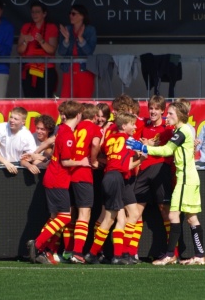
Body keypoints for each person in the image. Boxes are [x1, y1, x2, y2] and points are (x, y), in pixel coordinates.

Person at [127, 102, 205, 265]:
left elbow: (166, 150)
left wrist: (143, 147)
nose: (167, 116)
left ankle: (171, 254)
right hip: (187, 177)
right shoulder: (180, 130)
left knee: (174, 215)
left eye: (170, 114)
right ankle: (199, 255)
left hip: (186, 179)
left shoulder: (182, 131)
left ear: (180, 115)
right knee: (191, 218)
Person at [27, 101, 90, 265]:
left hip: (54, 177)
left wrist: (43, 156)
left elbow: (55, 150)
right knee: (64, 217)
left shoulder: (62, 129)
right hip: (58, 179)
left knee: (55, 217)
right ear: (78, 115)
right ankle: (38, 243)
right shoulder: (67, 133)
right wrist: (82, 162)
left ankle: (44, 250)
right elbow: (66, 161)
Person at [84, 113, 143, 265]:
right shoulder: (129, 140)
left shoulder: (110, 138)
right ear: (124, 126)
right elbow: (128, 165)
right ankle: (94, 253)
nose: (135, 126)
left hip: (112, 178)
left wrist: (97, 160)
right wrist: (141, 159)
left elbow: (103, 149)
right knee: (110, 219)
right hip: (116, 178)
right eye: (132, 124)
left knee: (128, 216)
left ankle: (122, 254)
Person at [132, 95, 174, 261]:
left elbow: (169, 149)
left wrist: (151, 145)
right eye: (151, 108)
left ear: (163, 111)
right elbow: (134, 145)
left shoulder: (167, 129)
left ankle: (172, 253)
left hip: (161, 171)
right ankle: (131, 251)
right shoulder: (143, 125)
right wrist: (140, 149)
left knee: (165, 212)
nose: (153, 111)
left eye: (156, 109)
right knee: (135, 212)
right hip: (143, 172)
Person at [66, 103, 101, 263]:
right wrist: (93, 160)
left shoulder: (76, 128)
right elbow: (94, 144)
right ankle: (77, 252)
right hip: (83, 174)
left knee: (71, 214)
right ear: (94, 117)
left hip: (71, 172)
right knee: (84, 214)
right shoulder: (94, 128)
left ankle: (68, 251)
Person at [17, 1, 58, 98]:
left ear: (44, 14)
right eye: (33, 12)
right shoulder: (26, 27)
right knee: (30, 100)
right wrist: (25, 42)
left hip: (46, 69)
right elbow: (19, 50)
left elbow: (52, 50)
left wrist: (41, 41)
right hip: (29, 69)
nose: (34, 14)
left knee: (46, 99)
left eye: (37, 12)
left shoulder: (51, 27)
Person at [58, 4, 97, 98]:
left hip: (85, 69)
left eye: (73, 14)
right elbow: (61, 52)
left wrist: (80, 38)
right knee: (67, 99)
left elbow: (89, 52)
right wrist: (66, 39)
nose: (70, 16)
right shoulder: (67, 29)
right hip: (68, 69)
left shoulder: (90, 30)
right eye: (70, 13)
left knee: (84, 99)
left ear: (82, 16)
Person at [0, 107, 37, 174]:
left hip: (18, 167)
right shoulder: (1, 127)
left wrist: (29, 165)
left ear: (23, 122)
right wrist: (6, 163)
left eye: (16, 119)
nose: (12, 120)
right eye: (11, 117)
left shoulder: (27, 135)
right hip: (1, 165)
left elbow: (30, 156)